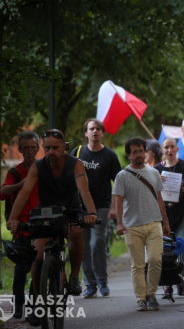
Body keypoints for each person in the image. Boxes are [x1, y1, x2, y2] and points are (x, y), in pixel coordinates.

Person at [7, 129, 98, 300]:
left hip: (71, 209)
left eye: (55, 148)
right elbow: (25, 192)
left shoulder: (75, 164)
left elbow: (84, 190)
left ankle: (74, 277)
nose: (51, 152)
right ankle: (38, 300)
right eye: (47, 148)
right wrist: (13, 218)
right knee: (38, 256)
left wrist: (91, 212)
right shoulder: (38, 166)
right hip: (46, 212)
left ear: (64, 147)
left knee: (77, 234)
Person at [113, 137, 171, 311]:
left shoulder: (153, 173)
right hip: (132, 226)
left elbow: (160, 199)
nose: (138, 154)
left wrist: (166, 222)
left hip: (154, 223)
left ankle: (151, 293)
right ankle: (141, 298)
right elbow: (118, 201)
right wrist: (119, 223)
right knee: (137, 264)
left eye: (141, 151)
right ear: (129, 155)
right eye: (134, 152)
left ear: (145, 152)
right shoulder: (122, 176)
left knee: (155, 259)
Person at [72, 119, 122, 298]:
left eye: (98, 129)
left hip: (101, 206)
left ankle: (102, 281)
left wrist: (115, 208)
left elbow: (118, 184)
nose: (95, 132)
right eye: (91, 129)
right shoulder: (77, 153)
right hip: (79, 207)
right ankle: (90, 284)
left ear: (102, 133)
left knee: (96, 244)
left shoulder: (109, 155)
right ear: (86, 133)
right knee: (83, 246)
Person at [0, 131, 40, 320]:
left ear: (38, 148)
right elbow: (2, 193)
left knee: (39, 267)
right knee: (22, 267)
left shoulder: (44, 169)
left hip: (42, 223)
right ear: (20, 150)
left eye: (34, 147)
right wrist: (21, 185)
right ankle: (18, 305)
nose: (30, 151)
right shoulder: (15, 172)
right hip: (22, 224)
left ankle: (35, 307)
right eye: (26, 148)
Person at [155, 137, 184, 297]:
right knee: (166, 247)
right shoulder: (156, 170)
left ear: (177, 149)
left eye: (172, 147)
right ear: (162, 150)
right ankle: (168, 282)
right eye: (166, 147)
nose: (169, 150)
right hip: (164, 215)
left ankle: (180, 276)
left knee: (180, 244)